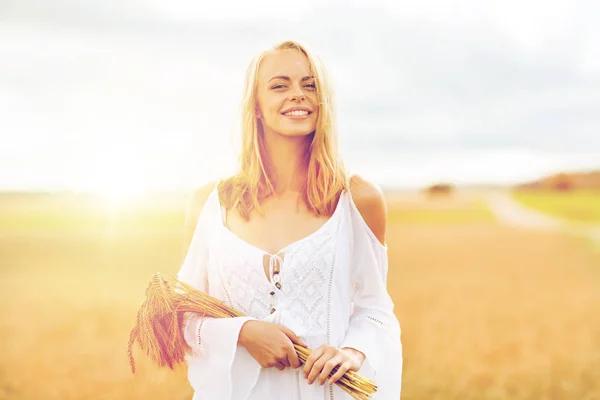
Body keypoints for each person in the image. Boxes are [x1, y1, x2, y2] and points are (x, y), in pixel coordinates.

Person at [177, 40, 402, 399]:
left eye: (310, 85)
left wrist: (352, 352)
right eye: (280, 85)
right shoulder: (210, 203)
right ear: (257, 108)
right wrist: (244, 332)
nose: (298, 95)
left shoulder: (357, 198)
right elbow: (183, 313)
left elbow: (376, 310)